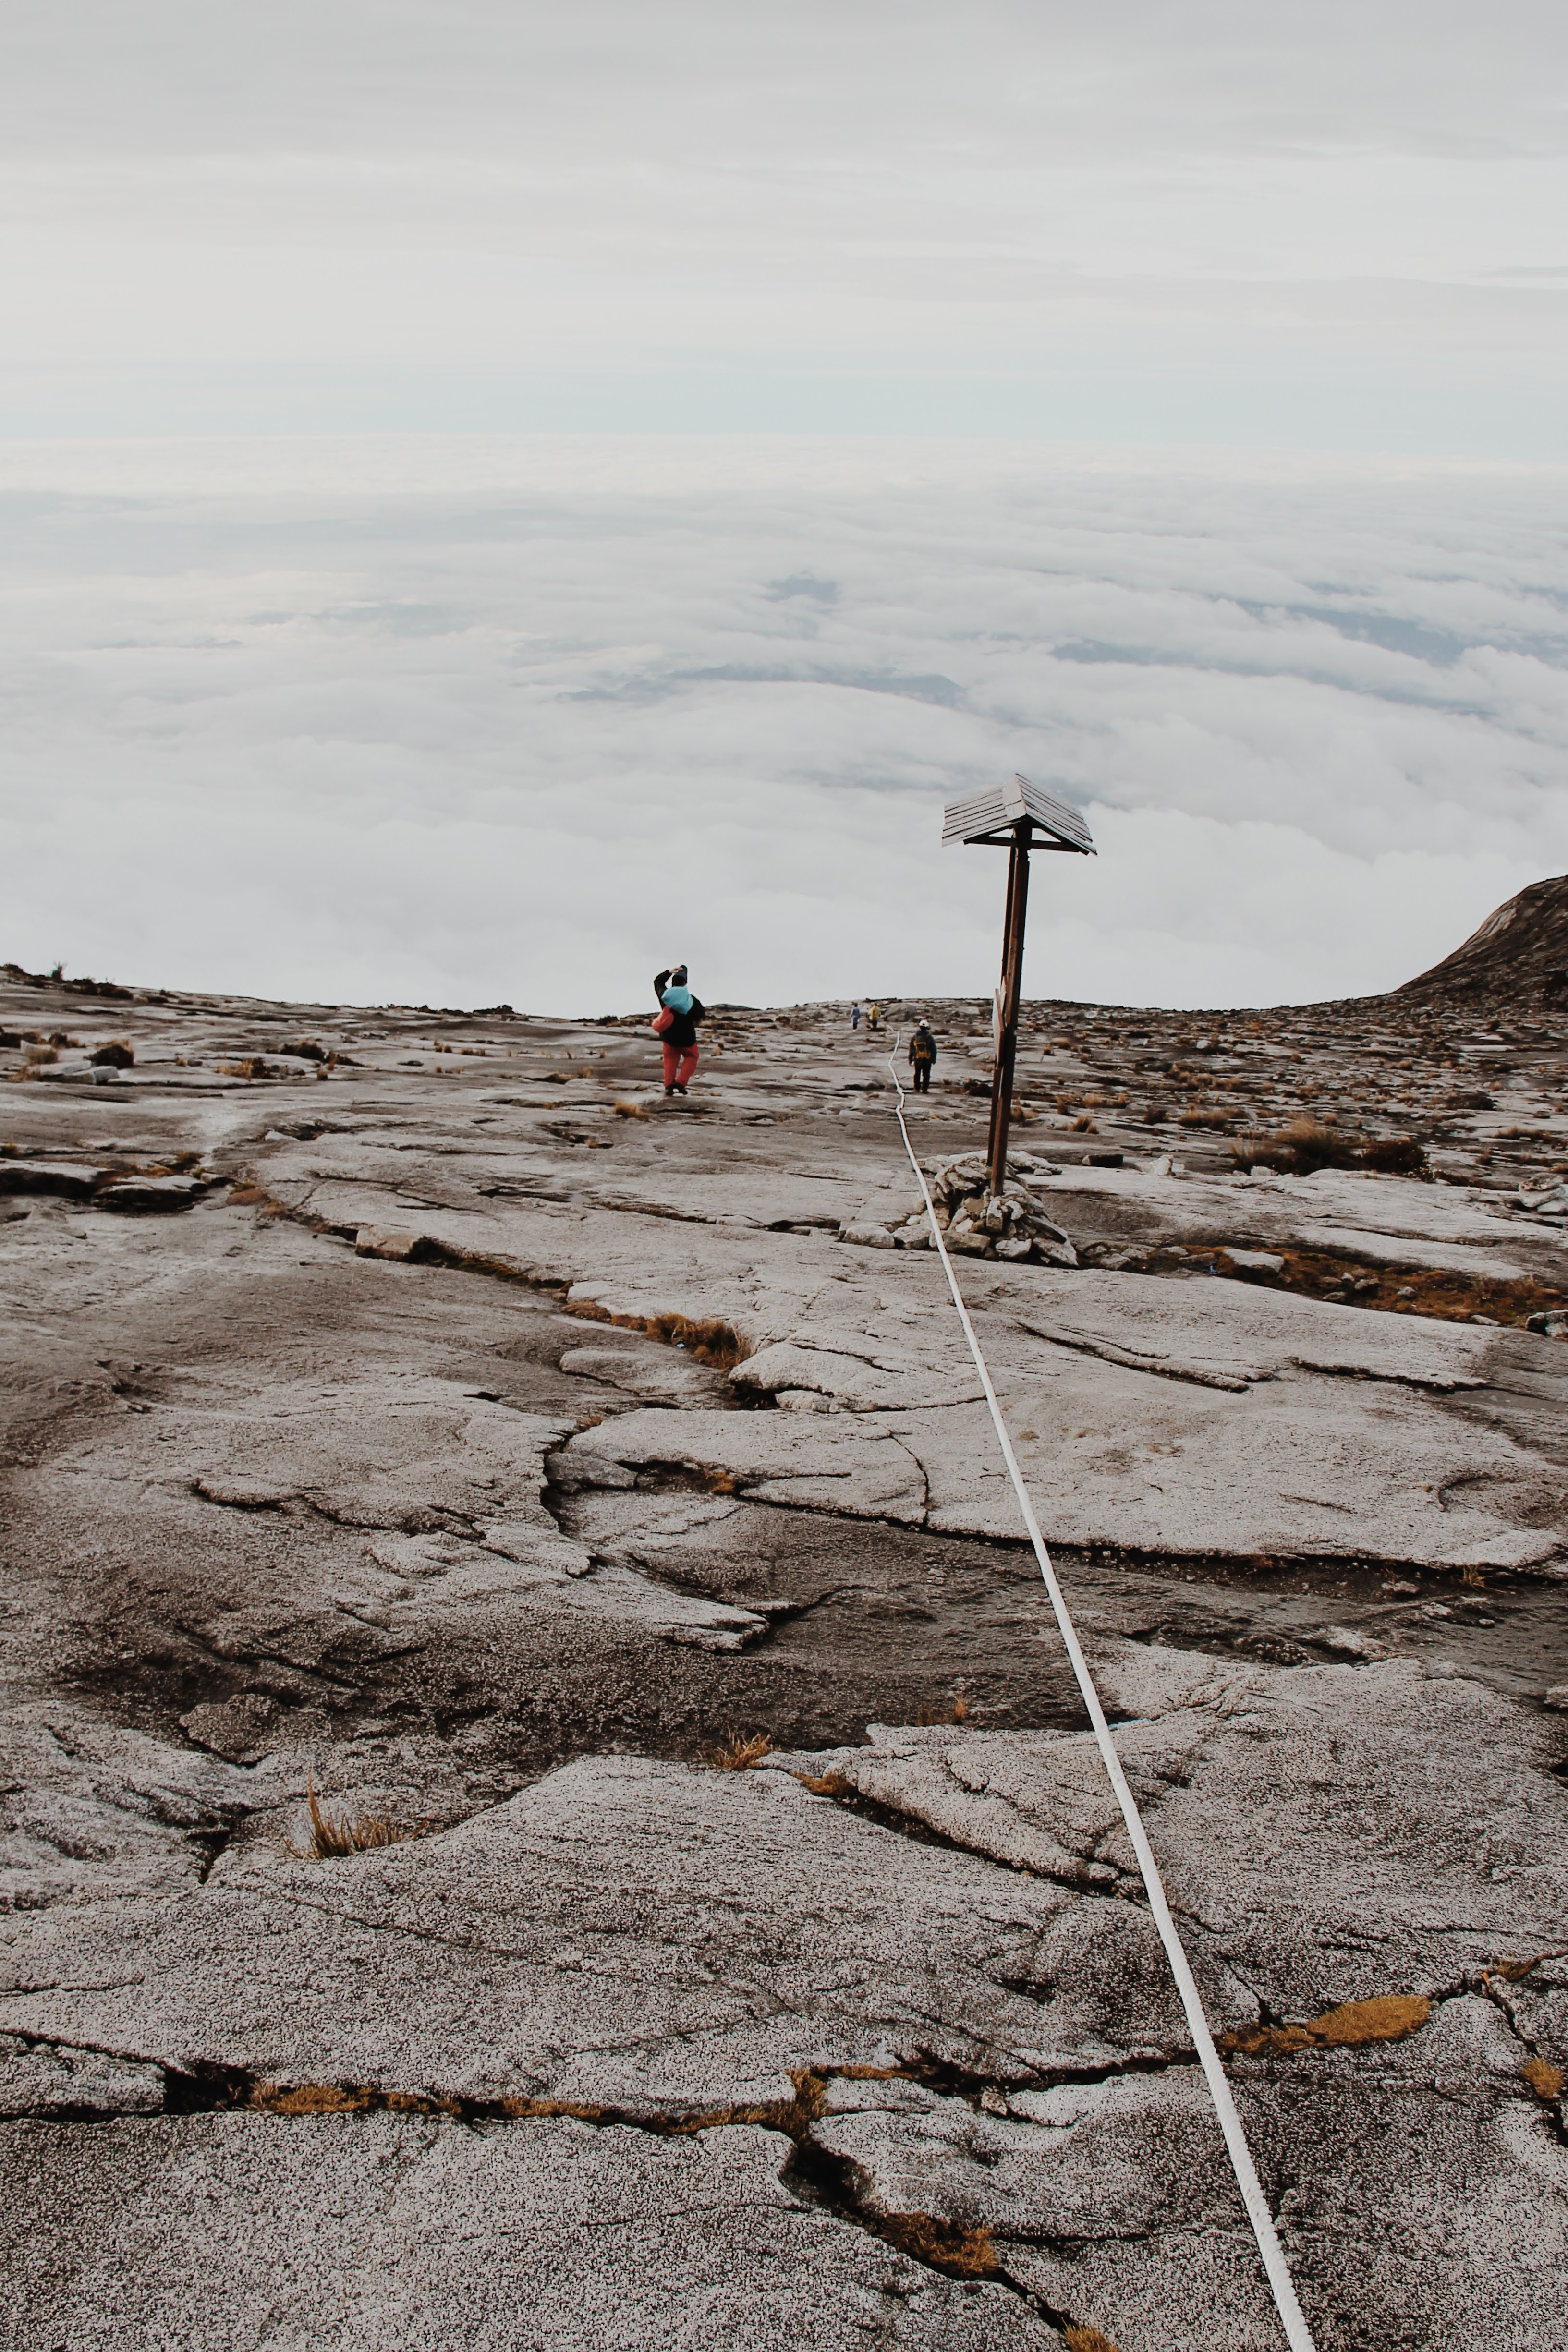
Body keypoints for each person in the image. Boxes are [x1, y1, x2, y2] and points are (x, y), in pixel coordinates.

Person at [653, 963, 705, 1095]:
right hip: (687, 1039)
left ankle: (669, 1085)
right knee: (692, 1057)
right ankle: (681, 1083)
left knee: (670, 1060)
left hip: (669, 1037)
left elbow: (658, 982)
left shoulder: (666, 996)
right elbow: (701, 1014)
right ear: (685, 982)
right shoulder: (691, 1000)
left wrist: (669, 972)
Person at [908, 1020, 937, 1094]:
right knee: (926, 1075)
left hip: (917, 1059)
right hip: (927, 1059)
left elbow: (912, 1049)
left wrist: (910, 1059)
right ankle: (925, 1089)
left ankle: (917, 1088)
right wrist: (933, 1059)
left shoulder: (915, 1037)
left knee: (917, 1074)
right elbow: (934, 1049)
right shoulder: (929, 1037)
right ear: (927, 1028)